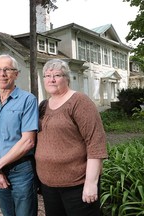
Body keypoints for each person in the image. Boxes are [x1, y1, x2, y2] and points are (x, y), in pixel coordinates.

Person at [35, 59, 108, 216]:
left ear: (66, 78)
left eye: (57, 75)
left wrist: (91, 183)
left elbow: (95, 142)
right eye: (47, 75)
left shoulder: (79, 101)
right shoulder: (43, 105)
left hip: (77, 185)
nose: (51, 79)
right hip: (49, 185)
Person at [0, 54, 39, 216]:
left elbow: (28, 142)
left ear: (16, 74)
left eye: (7, 69)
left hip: (21, 171)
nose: (2, 74)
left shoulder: (28, 99)